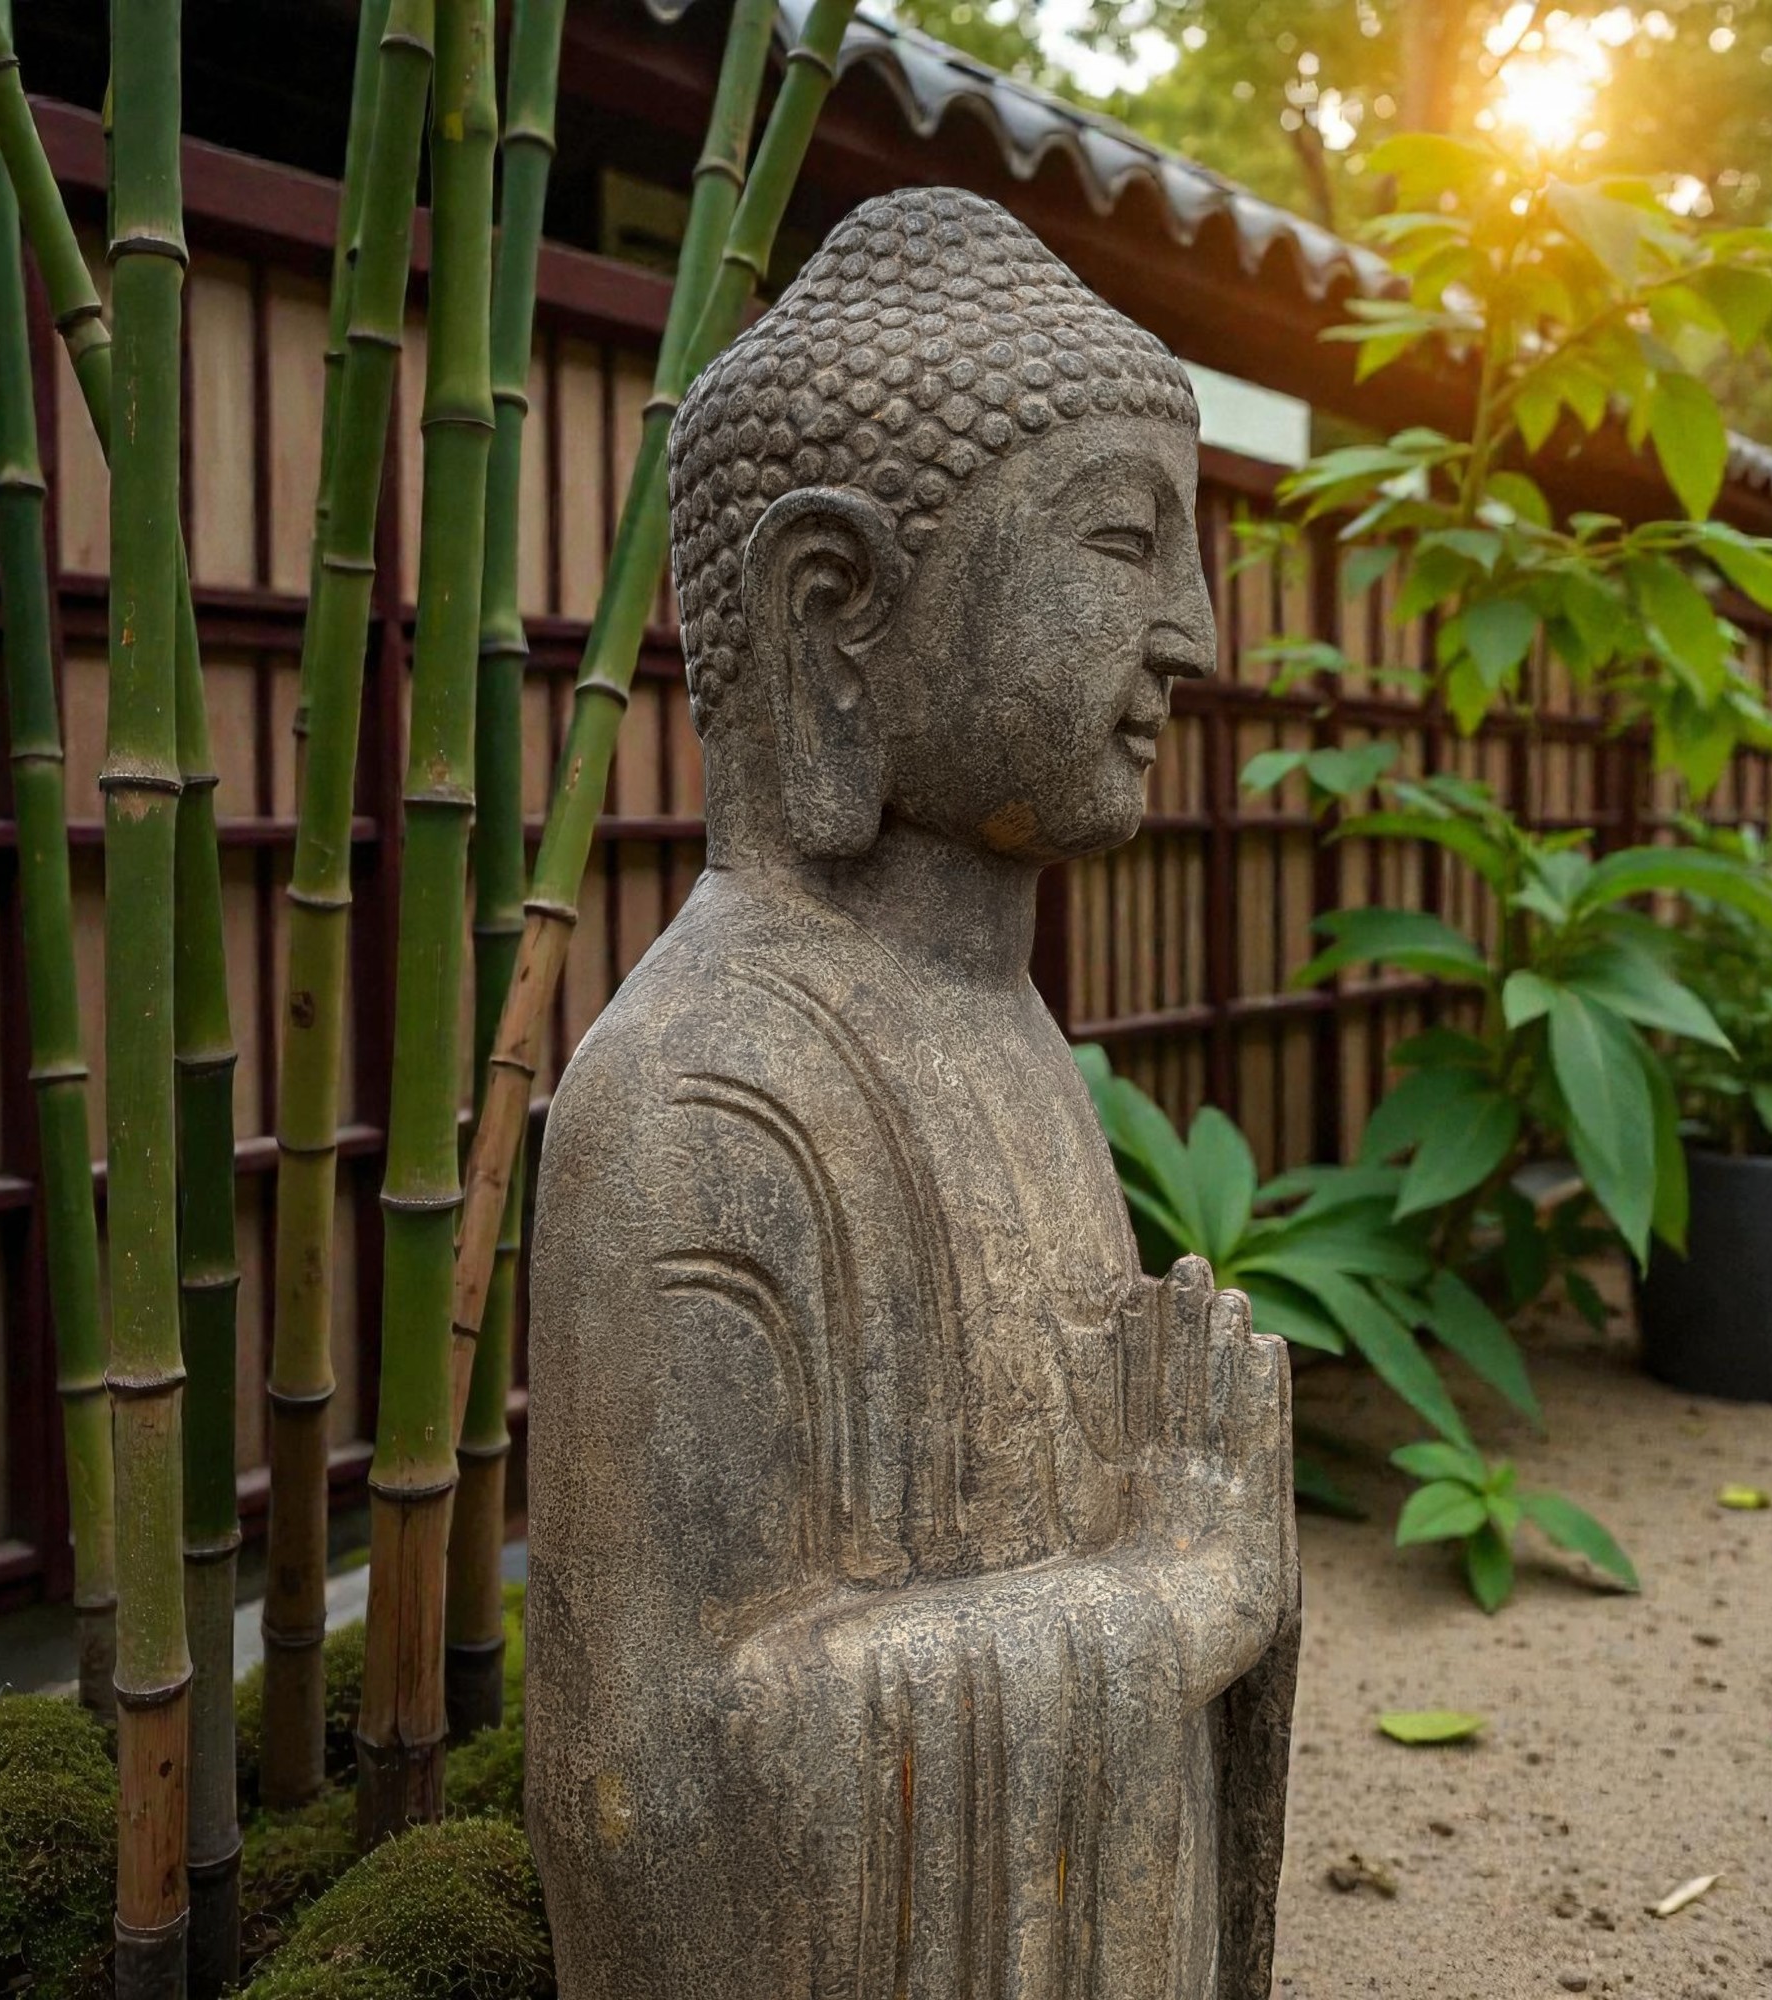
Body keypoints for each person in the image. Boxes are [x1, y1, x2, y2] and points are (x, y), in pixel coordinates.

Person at [526, 186, 1300, 1999]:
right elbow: (662, 1780)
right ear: (834, 609)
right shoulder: (708, 1101)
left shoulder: (1015, 1041)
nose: (1191, 634)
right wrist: (1170, 1599)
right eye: (1122, 544)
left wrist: (1191, 1533)